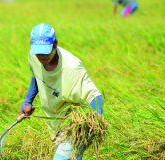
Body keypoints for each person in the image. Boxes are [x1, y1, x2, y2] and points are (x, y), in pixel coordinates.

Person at [19, 23, 104, 160]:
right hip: (55, 123)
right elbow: (37, 76)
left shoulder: (72, 67)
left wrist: (95, 123)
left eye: (45, 52)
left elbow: (95, 96)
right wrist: (27, 101)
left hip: (75, 122)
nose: (42, 57)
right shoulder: (33, 56)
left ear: (55, 44)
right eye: (38, 53)